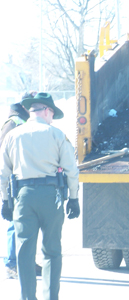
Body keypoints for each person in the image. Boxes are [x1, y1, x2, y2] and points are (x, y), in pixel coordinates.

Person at [0, 92, 80, 300]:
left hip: (23, 197)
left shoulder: (13, 135)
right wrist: (73, 198)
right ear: (46, 111)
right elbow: (71, 170)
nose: (52, 118)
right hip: (50, 196)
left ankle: (27, 298)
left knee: (24, 251)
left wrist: (5, 201)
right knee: (52, 251)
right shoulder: (57, 135)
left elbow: (3, 174)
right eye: (52, 114)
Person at [1, 92, 43, 280]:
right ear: (26, 106)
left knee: (27, 224)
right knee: (15, 224)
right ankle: (12, 263)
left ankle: (25, 261)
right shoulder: (14, 124)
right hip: (13, 181)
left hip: (20, 179)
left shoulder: (19, 121)